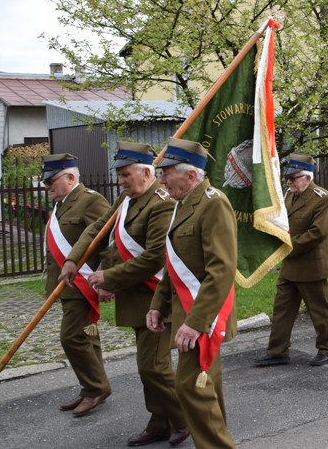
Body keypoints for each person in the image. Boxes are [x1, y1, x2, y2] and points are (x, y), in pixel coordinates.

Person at [62, 142, 189, 447]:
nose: (119, 180)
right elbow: (99, 228)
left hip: (158, 298)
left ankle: (184, 418)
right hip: (137, 298)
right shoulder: (129, 197)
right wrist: (73, 258)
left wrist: (110, 277)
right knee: (148, 368)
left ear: (146, 173)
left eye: (125, 174)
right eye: (118, 174)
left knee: (152, 366)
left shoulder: (160, 203)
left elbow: (154, 257)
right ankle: (159, 423)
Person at [146, 138, 237, 448]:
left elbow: (221, 269)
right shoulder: (182, 204)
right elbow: (174, 264)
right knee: (206, 385)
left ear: (190, 175)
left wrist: (197, 322)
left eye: (166, 173)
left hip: (204, 315)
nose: (161, 181)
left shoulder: (213, 203)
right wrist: (158, 305)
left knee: (190, 387)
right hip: (188, 310)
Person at [42, 153, 112, 417]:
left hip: (83, 283)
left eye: (51, 181)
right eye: (46, 182)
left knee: (71, 337)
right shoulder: (62, 204)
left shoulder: (90, 200)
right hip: (68, 285)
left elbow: (108, 239)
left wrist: (106, 277)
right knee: (87, 334)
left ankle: (97, 387)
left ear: (70, 177)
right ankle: (91, 386)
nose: (47, 187)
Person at [256, 154, 328, 368]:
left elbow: (317, 233)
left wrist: (287, 247)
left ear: (307, 178)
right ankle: (277, 351)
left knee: (318, 311)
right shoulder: (289, 195)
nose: (289, 182)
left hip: (311, 265)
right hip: (290, 264)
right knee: (281, 309)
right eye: (288, 178)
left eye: (293, 178)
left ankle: (326, 349)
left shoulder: (322, 197)